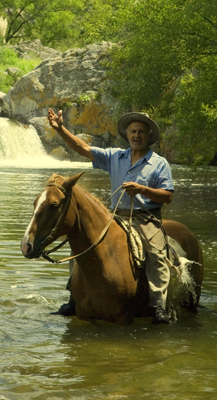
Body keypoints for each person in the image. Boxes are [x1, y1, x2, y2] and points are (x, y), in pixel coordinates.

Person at [47, 108, 174, 324]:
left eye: (141, 132)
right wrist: (60, 129)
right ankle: (74, 297)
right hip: (115, 215)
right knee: (80, 243)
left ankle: (158, 306)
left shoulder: (159, 163)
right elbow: (84, 148)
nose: (136, 136)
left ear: (148, 136)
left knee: (156, 252)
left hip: (145, 217)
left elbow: (168, 196)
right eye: (133, 131)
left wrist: (142, 189)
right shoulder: (116, 156)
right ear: (127, 134)